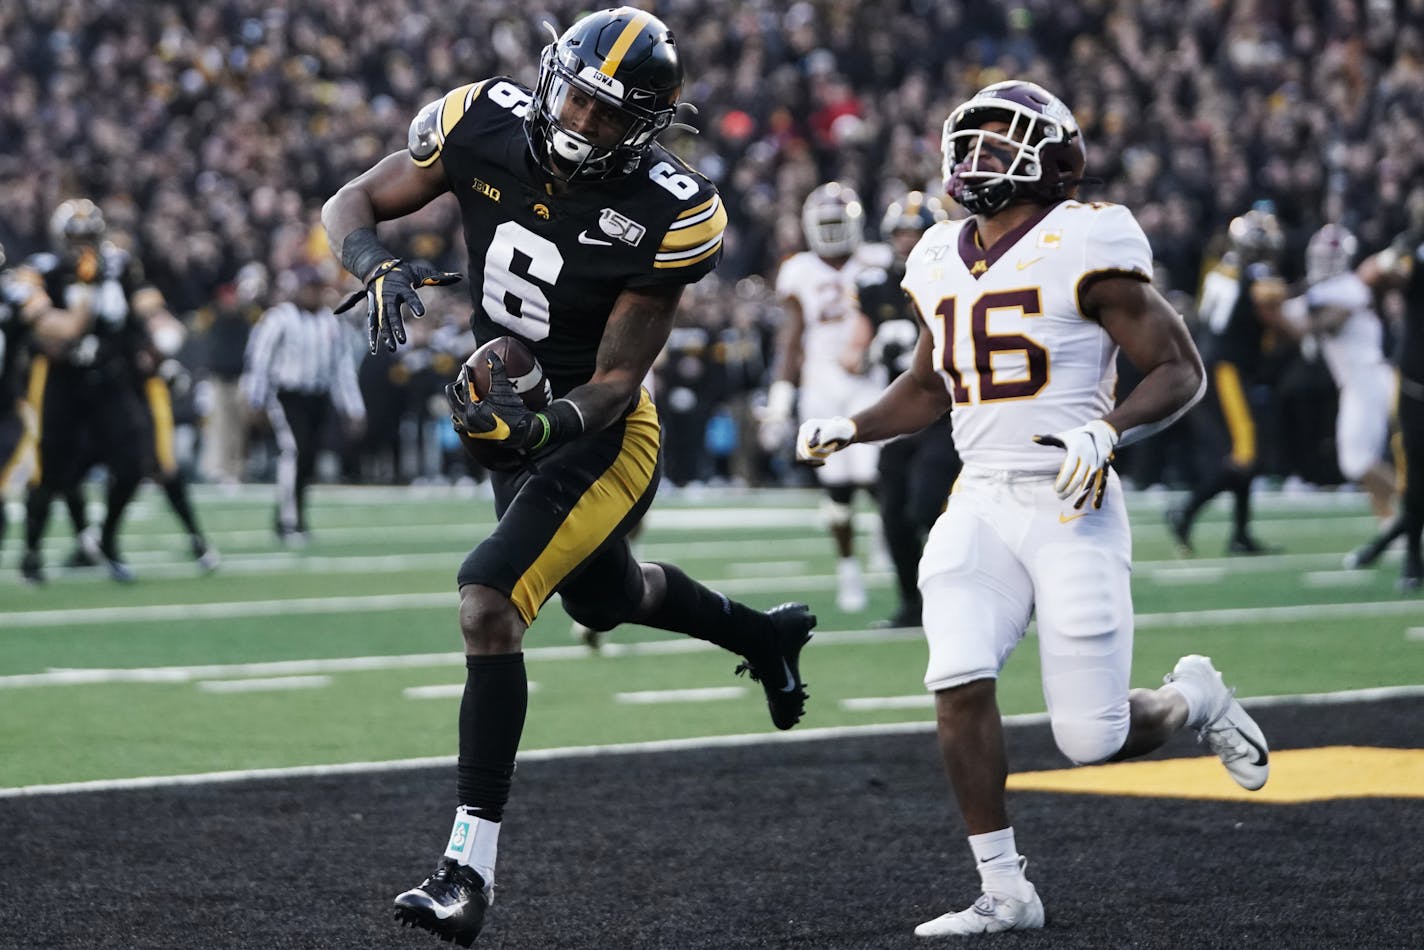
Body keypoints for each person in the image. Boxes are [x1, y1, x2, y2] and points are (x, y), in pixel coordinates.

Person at [321, 8, 815, 945]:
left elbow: (620, 379)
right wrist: (375, 260)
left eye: (609, 115)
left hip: (599, 435)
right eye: (578, 101)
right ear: (552, 77)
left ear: (648, 126)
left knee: (488, 601)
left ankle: (466, 870)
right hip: (515, 422)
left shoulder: (673, 208)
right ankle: (763, 634)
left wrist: (542, 423)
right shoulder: (479, 119)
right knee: (606, 597)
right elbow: (351, 200)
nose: (583, 126)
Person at [796, 80, 1270, 936]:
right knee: (956, 674)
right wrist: (854, 427)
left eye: (996, 144)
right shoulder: (936, 253)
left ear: (1049, 159)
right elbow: (934, 383)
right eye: (967, 143)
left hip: (1070, 501)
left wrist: (1109, 429)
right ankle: (1005, 888)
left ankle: (1192, 697)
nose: (973, 160)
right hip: (980, 497)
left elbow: (1178, 368)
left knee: (1092, 737)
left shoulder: (1087, 237)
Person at [760, 181, 892, 613]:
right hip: (820, 384)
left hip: (867, 381)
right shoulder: (799, 270)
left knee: (875, 477)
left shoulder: (877, 260)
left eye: (840, 223)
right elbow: (791, 339)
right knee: (836, 489)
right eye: (827, 224)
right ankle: (848, 569)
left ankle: (884, 537)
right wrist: (781, 399)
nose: (834, 233)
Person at [857, 190, 961, 628]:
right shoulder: (877, 286)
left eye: (913, 233)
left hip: (944, 412)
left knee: (925, 508)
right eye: (899, 233)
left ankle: (964, 594)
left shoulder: (954, 278)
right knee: (893, 517)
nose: (905, 241)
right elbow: (855, 349)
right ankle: (912, 605)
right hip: (900, 413)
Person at [1165, 205, 1290, 556]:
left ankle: (1239, 534)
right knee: (1244, 453)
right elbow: (1272, 307)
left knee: (1244, 453)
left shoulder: (1222, 268)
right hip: (1226, 367)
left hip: (1221, 363)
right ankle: (1185, 510)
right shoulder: (1253, 275)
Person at [240, 266, 366, 545]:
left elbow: (342, 368)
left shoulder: (331, 321)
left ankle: (290, 514)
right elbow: (259, 360)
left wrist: (354, 408)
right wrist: (255, 400)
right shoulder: (278, 319)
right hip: (287, 395)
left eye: (316, 288)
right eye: (308, 288)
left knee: (307, 458)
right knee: (294, 452)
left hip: (317, 397)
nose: (312, 294)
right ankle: (289, 522)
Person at [1280, 224, 1396, 519]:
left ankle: (1412, 510)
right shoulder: (1327, 290)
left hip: (1367, 380)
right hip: (1357, 382)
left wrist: (1277, 313)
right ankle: (1391, 527)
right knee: (1364, 461)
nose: (1323, 262)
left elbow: (1324, 322)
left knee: (1355, 463)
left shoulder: (1348, 288)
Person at [1347, 190, 1424, 590]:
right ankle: (1412, 558)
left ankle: (1387, 549)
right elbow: (1373, 274)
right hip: (1416, 380)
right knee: (1413, 475)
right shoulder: (1411, 249)